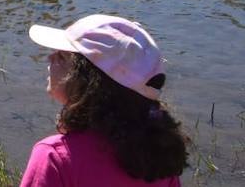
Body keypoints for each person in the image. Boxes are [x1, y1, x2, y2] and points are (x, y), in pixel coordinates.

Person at [20, 13, 189, 187]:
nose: (50, 57)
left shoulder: (55, 158)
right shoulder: (159, 155)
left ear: (87, 81)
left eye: (62, 57)